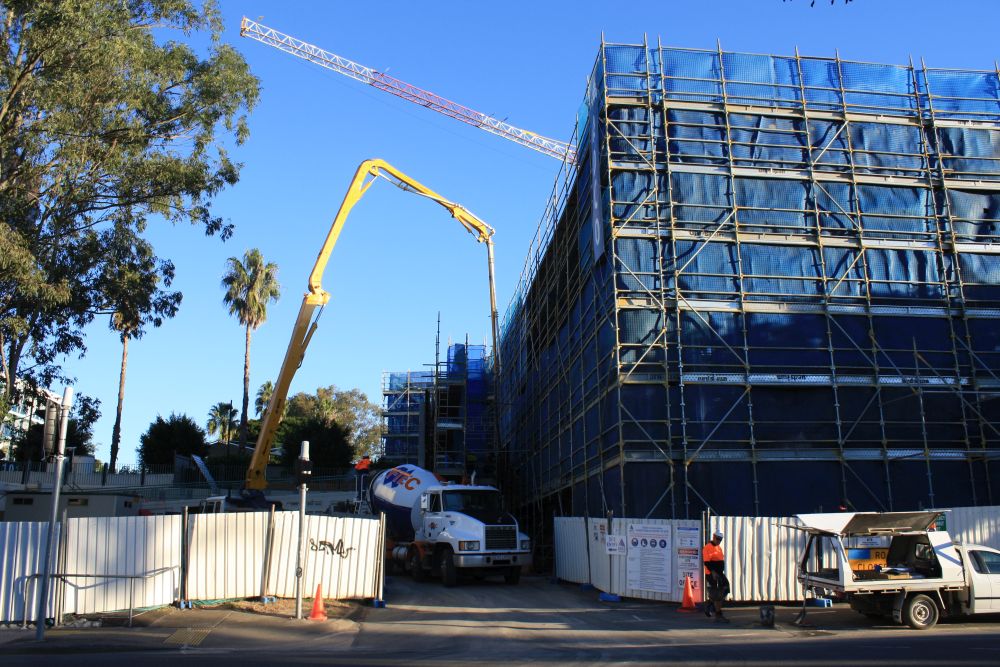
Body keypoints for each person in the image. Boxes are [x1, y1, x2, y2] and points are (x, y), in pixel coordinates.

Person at [703, 529, 730, 622]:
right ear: (713, 536)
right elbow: (707, 563)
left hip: (719, 573)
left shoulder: (719, 548)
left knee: (726, 588)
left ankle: (710, 603)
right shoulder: (707, 547)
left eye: (720, 539)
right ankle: (718, 615)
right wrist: (713, 573)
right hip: (712, 574)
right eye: (717, 538)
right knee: (717, 593)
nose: (718, 541)